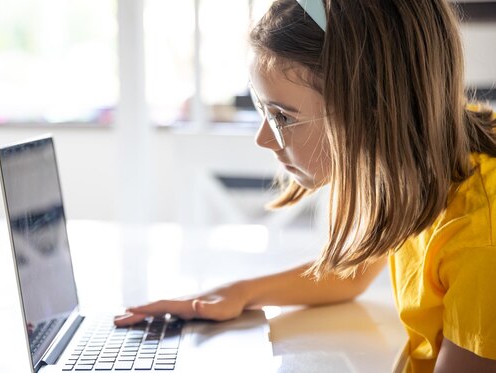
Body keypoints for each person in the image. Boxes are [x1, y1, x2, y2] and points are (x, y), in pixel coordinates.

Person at [114, 1, 496, 371]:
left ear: (369, 108)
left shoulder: (481, 239)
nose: (263, 138)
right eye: (262, 109)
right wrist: (241, 292)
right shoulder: (424, 158)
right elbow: (352, 273)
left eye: (282, 115)